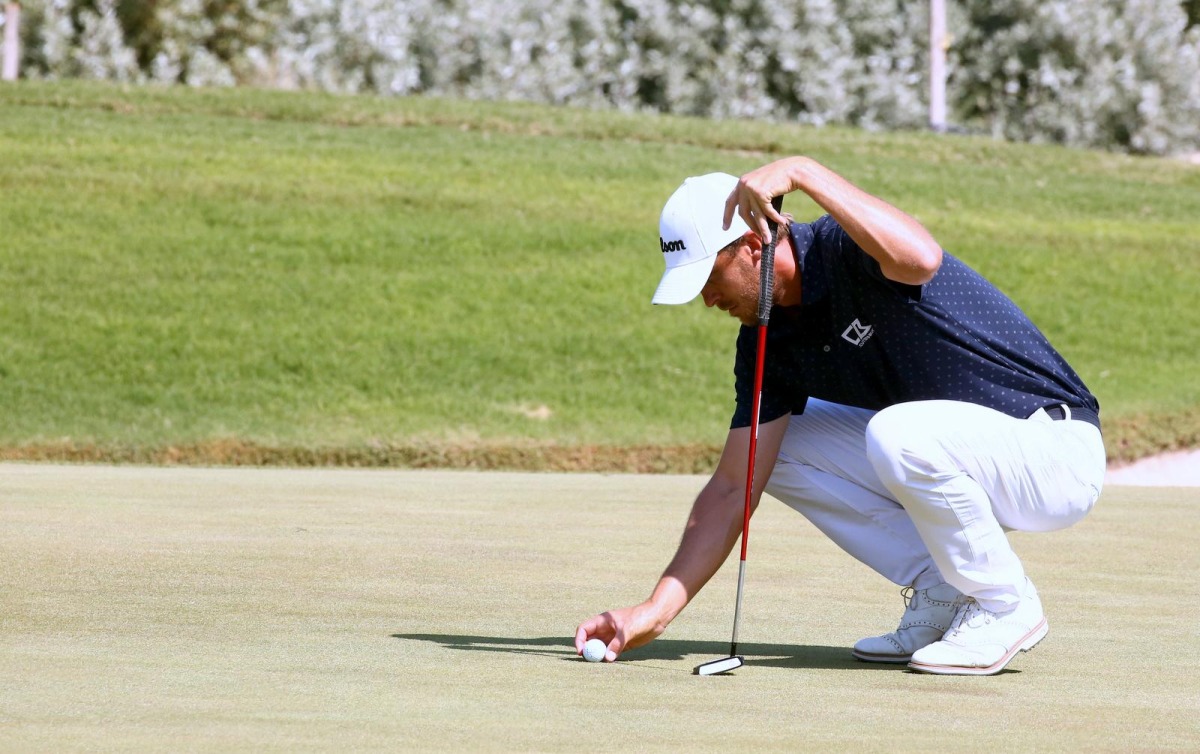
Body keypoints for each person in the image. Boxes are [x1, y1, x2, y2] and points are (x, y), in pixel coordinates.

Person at [574, 156, 1106, 676]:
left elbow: (920, 259)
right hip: (967, 454)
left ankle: (1004, 603)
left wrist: (803, 170)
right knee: (774, 451)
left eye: (709, 277)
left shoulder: (845, 247)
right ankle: (944, 586)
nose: (707, 300)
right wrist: (656, 611)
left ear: (754, 246)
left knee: (896, 432)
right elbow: (734, 487)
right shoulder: (766, 340)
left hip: (1053, 449)